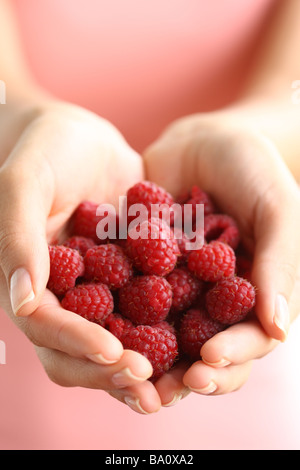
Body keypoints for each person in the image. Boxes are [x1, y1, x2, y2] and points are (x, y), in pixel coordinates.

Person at [1, 0, 300, 450]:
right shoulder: (117, 260)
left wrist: (263, 137)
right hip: (24, 359)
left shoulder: (187, 267)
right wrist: (19, 120)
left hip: (249, 394)